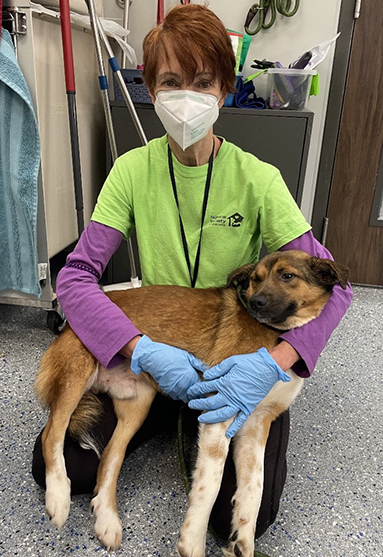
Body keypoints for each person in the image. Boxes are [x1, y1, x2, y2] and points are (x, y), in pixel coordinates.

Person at [32, 4, 352, 543]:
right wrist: (139, 348)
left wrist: (275, 362)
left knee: (254, 515)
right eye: (171, 82)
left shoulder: (259, 179)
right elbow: (77, 277)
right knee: (64, 469)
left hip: (238, 358)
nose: (187, 96)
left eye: (203, 81)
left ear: (225, 89)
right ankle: (160, 420)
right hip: (159, 352)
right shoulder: (132, 170)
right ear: (152, 93)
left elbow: (335, 290)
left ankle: (180, 423)